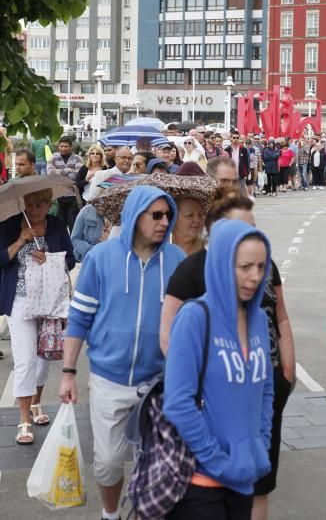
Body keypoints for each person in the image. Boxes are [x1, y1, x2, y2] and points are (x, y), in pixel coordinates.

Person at [161, 191, 295, 520]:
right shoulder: (196, 317)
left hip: (244, 479)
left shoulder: (258, 322)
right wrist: (218, 461)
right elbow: (178, 403)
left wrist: (259, 448)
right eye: (245, 267)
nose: (255, 276)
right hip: (199, 482)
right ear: (222, 263)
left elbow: (264, 390)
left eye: (261, 267)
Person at [59, 186, 185, 520]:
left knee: (157, 462)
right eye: (156, 215)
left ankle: (146, 512)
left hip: (160, 383)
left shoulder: (177, 260)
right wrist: (69, 372)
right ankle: (110, 513)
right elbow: (79, 318)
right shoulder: (101, 258)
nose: (164, 222)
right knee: (109, 461)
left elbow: (190, 322)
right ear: (134, 216)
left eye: (168, 215)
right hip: (108, 379)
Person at [0, 189, 75, 444]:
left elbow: (71, 260)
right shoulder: (10, 224)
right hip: (19, 300)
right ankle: (23, 418)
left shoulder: (57, 225)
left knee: (44, 356)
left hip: (49, 300)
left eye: (42, 204)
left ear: (50, 204)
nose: (37, 210)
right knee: (24, 360)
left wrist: (50, 258)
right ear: (24, 203)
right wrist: (20, 239)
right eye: (31, 205)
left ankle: (36, 402)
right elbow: (1, 259)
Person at [46, 136, 83, 232]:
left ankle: (73, 246)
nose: (63, 148)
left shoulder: (78, 159)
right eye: (61, 146)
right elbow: (50, 173)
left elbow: (77, 175)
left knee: (73, 224)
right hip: (58, 195)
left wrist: (59, 175)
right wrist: (68, 170)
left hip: (73, 195)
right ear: (58, 146)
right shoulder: (53, 158)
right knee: (59, 224)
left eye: (66, 146)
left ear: (71, 147)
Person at [225, 131, 250, 195]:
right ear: (230, 138)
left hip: (240, 175)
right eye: (234, 137)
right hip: (230, 177)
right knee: (231, 194)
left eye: (237, 138)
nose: (235, 139)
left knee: (241, 194)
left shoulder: (244, 149)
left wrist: (246, 174)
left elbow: (247, 162)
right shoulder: (227, 150)